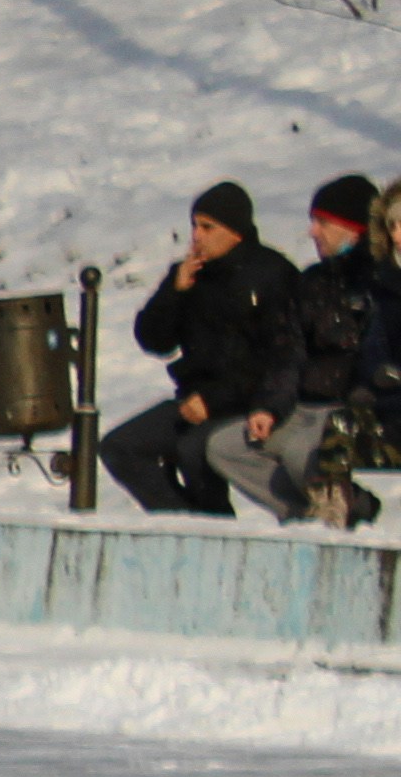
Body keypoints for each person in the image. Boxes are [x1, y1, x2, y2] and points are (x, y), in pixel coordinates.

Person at [108, 180, 292, 519]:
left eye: (207, 227)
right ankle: (182, 521)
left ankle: (211, 525)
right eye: (194, 225)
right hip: (193, 400)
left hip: (244, 402)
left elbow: (276, 357)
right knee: (120, 447)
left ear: (235, 231)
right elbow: (154, 340)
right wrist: (174, 291)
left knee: (195, 449)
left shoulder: (270, 274)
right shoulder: (191, 274)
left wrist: (215, 401)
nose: (196, 236)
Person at [229, 170, 387, 532]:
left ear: (354, 227)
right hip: (304, 405)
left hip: (351, 409)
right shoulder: (313, 281)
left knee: (305, 454)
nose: (313, 232)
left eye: (323, 222)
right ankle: (307, 512)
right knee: (226, 446)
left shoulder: (380, 282)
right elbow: (288, 353)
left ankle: (337, 512)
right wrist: (269, 406)